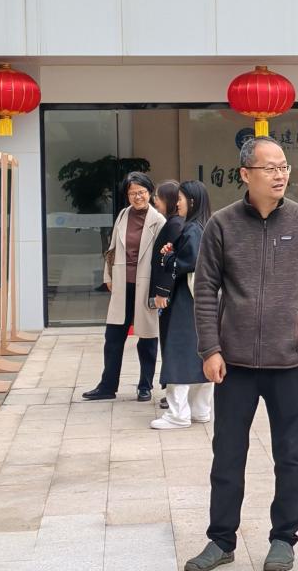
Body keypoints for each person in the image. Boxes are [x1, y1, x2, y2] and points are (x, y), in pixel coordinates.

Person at [185, 136, 298, 571]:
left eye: (283, 166)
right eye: (270, 168)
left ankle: (284, 538)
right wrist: (210, 348)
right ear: (245, 174)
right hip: (234, 365)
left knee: (291, 455)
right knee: (227, 455)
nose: (280, 175)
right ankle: (221, 540)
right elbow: (205, 290)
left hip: (290, 363)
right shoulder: (222, 224)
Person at [83, 172, 165, 402]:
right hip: (122, 284)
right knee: (113, 338)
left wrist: (160, 289)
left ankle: (145, 386)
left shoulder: (159, 221)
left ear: (150, 192)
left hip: (146, 286)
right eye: (132, 193)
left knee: (147, 338)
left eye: (141, 192)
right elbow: (112, 249)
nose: (137, 197)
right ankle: (107, 386)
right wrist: (107, 276)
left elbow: (162, 258)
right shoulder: (123, 215)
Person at [151, 180, 213, 429]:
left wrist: (168, 256)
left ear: (192, 201)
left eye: (180, 198)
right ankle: (200, 410)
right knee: (200, 353)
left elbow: (188, 262)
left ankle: (178, 414)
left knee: (178, 353)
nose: (177, 203)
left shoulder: (192, 230)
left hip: (186, 300)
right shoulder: (205, 226)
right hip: (202, 300)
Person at [151, 179, 185, 410]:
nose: (155, 200)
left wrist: (162, 291)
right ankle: (172, 389)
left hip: (170, 294)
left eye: (158, 196)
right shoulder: (173, 222)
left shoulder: (175, 225)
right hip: (168, 292)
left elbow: (170, 261)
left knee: (171, 342)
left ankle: (175, 391)